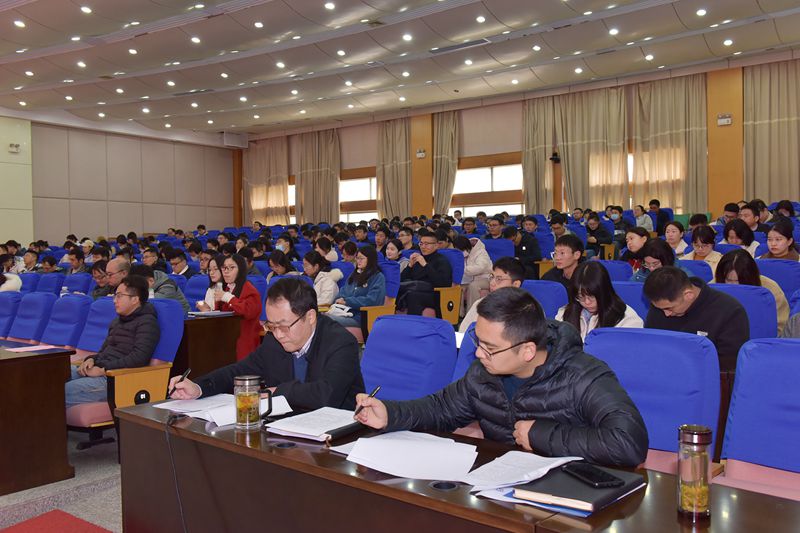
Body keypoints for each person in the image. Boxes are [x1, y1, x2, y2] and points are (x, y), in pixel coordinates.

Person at [356, 287, 648, 466]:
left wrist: (540, 435)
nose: (478, 353)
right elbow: (440, 408)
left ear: (528, 350)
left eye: (490, 348)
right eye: (478, 342)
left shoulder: (584, 376)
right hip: (501, 487)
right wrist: (390, 413)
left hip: (568, 497)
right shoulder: (483, 373)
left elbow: (629, 442)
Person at [169, 278, 365, 410]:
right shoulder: (274, 340)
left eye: (284, 326)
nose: (278, 334)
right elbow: (239, 370)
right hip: (289, 429)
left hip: (336, 437)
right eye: (271, 325)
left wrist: (278, 392)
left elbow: (326, 395)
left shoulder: (341, 342)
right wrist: (199, 386)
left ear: (310, 316)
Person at [66, 275, 160, 407]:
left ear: (135, 299)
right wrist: (91, 359)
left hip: (116, 378)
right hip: (101, 369)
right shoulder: (117, 321)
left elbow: (139, 358)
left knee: (60, 390)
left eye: (119, 296)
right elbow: (104, 351)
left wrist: (104, 369)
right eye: (115, 296)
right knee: (52, 374)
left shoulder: (147, 322)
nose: (115, 300)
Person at [644, 266, 749, 371]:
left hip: (707, 375)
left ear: (688, 295)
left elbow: (728, 365)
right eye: (660, 308)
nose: (666, 314)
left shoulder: (730, 311)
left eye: (669, 308)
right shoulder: (661, 306)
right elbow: (650, 349)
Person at [556, 262, 643, 340]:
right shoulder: (564, 314)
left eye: (592, 296)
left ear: (605, 291)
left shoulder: (626, 319)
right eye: (580, 297)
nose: (587, 302)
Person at [715, 249, 789, 336]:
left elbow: (781, 327)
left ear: (750, 276)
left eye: (739, 280)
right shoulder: (714, 287)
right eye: (729, 280)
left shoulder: (770, 289)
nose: (735, 285)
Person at [214, 254, 261, 360]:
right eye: (224, 268)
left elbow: (248, 312)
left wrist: (229, 298)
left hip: (244, 343)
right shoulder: (226, 289)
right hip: (226, 341)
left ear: (241, 270)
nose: (226, 271)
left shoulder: (249, 289)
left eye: (231, 267)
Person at [459, 257, 525, 333]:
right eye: (492, 277)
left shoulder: (524, 311)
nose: (492, 283)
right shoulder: (480, 304)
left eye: (499, 279)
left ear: (516, 284)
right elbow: (463, 332)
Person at [396, 230, 452, 316]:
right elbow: (401, 279)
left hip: (435, 294)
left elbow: (443, 284)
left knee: (412, 295)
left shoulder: (442, 261)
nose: (423, 247)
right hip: (416, 289)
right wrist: (410, 265)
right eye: (421, 244)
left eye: (426, 244)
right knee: (394, 291)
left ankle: (414, 323)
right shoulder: (418, 259)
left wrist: (425, 265)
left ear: (436, 245)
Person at [329, 246, 387, 329]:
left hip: (361, 317)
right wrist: (339, 299)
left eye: (361, 258)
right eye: (357, 258)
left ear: (370, 259)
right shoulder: (354, 275)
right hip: (344, 312)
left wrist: (347, 301)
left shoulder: (378, 277)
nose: (358, 261)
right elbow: (343, 292)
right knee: (322, 318)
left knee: (327, 320)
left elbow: (372, 301)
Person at [454, 236, 492, 313]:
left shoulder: (481, 252)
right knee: (458, 286)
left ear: (467, 247)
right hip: (469, 278)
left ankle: (471, 312)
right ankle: (459, 314)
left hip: (485, 278)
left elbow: (480, 267)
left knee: (473, 286)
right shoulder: (462, 254)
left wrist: (463, 269)